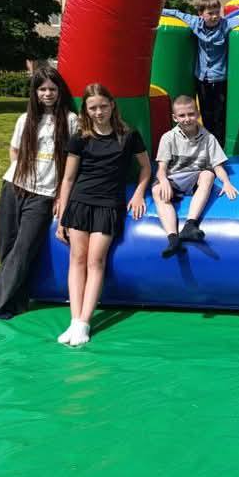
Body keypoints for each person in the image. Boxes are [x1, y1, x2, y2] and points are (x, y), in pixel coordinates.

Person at [55, 84, 151, 347]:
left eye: (103, 106)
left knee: (96, 261)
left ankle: (85, 322)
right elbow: (68, 179)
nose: (99, 112)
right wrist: (62, 217)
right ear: (86, 110)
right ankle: (74, 320)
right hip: (80, 203)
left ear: (112, 105)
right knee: (77, 259)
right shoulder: (80, 137)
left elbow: (145, 167)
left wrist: (139, 193)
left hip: (108, 205)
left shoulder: (128, 135)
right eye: (93, 108)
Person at [0, 66, 77, 319]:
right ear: (35, 92)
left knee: (24, 248)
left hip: (44, 195)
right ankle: (16, 300)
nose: (47, 94)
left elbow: (72, 162)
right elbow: (14, 151)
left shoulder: (71, 120)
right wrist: (18, 172)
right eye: (42, 89)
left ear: (60, 91)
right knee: (7, 245)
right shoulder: (25, 119)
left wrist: (61, 195)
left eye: (52, 89)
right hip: (13, 187)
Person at [162, 0, 239, 146]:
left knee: (220, 115)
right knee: (206, 113)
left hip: (219, 78)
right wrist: (156, 11)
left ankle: (219, 145)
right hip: (202, 78)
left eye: (217, 12)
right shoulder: (195, 22)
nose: (214, 16)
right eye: (210, 13)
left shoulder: (225, 24)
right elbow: (176, 13)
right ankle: (208, 143)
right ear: (201, 14)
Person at [152, 94, 239, 257]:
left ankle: (190, 225)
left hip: (194, 178)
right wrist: (163, 181)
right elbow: (161, 168)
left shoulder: (208, 138)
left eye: (191, 114)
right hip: (175, 178)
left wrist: (226, 182)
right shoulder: (168, 138)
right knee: (157, 190)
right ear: (175, 118)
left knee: (208, 174)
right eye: (182, 115)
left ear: (198, 114)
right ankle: (173, 238)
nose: (187, 119)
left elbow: (217, 166)